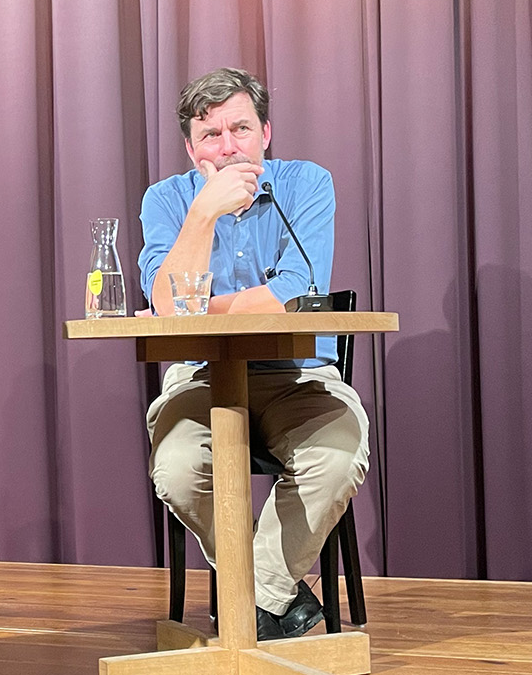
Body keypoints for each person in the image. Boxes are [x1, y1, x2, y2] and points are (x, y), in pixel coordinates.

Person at [138, 67, 369, 640]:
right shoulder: (167, 201)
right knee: (177, 469)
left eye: (240, 128)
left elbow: (293, 293)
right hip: (202, 379)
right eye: (210, 135)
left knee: (338, 458)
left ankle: (256, 599)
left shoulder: (306, 184)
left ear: (266, 132)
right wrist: (204, 212)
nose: (228, 146)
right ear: (191, 149)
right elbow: (166, 300)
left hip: (301, 377)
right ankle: (275, 601)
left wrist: (197, 309)